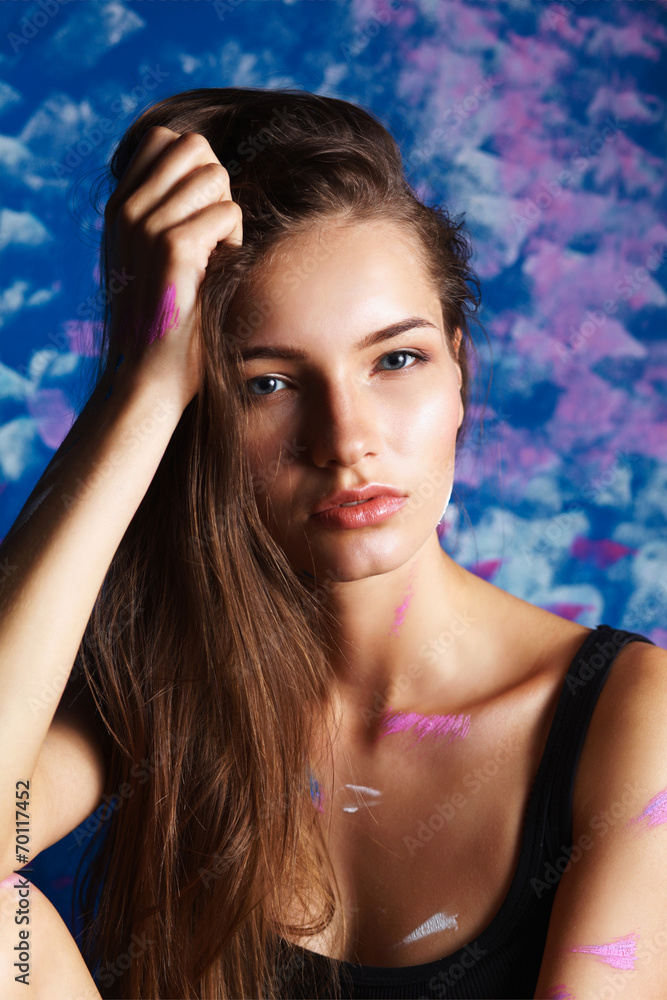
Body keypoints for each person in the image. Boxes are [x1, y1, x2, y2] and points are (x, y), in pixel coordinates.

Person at [0, 86, 665, 1000]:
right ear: (202, 405)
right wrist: (136, 385)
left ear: (459, 372)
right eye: (269, 382)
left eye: (396, 359)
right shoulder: (159, 682)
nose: (346, 438)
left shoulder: (625, 714)